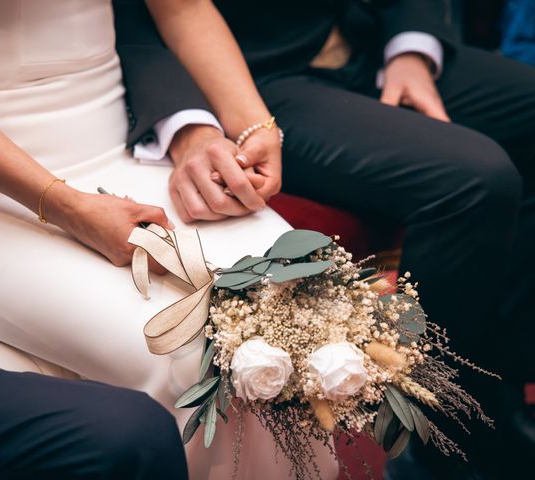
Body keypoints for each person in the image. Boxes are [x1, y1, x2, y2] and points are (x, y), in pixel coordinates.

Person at [0, 1, 338, 478]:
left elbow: (183, 9)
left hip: (121, 154)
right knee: (189, 352)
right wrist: (69, 208)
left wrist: (255, 126)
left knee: (300, 294)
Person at [113, 0, 535, 478]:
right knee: (478, 179)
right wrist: (190, 122)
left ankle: (503, 387)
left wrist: (410, 48)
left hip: (362, 36)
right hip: (249, 79)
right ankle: (433, 432)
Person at [0, 122, 189, 479]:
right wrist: (73, 209)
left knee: (141, 433)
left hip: (108, 144)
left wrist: (196, 132)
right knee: (176, 354)